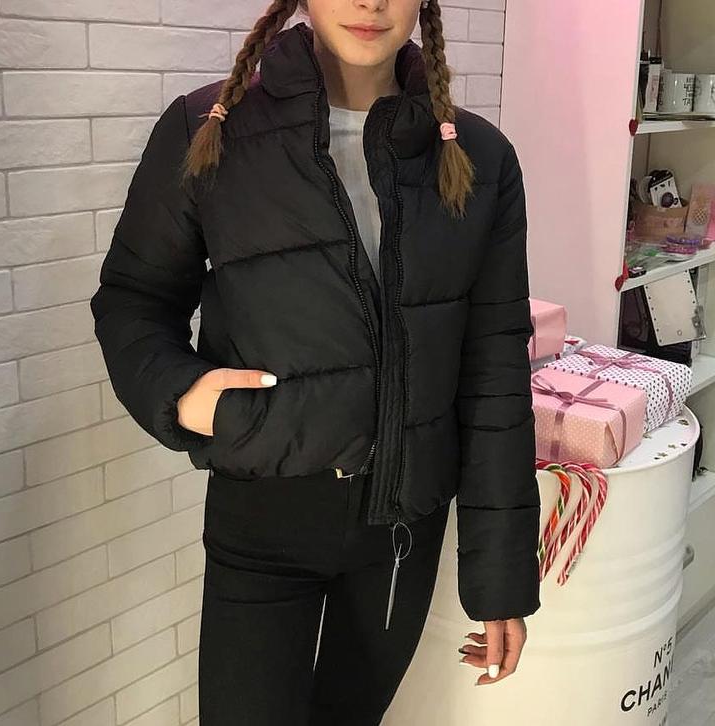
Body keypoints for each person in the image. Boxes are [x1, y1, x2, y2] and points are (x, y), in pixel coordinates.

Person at [90, 0, 541, 723]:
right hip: (262, 521)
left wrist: (501, 577)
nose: (371, 2)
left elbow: (493, 369)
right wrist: (184, 395)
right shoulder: (211, 129)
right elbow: (132, 299)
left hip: (401, 533)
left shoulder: (479, 157)